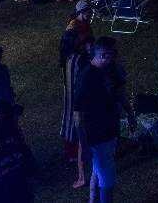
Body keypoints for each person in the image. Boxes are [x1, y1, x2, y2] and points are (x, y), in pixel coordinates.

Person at [73, 36, 137, 203]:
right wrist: (84, 145)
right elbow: (78, 115)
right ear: (102, 55)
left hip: (110, 129)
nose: (114, 57)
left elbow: (119, 93)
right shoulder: (86, 78)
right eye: (111, 54)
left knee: (99, 171)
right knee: (107, 178)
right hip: (97, 134)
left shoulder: (111, 69)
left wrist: (130, 113)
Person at [59, 16, 94, 190]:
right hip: (80, 103)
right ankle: (81, 174)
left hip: (71, 100)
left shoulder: (66, 58)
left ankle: (73, 156)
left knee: (72, 128)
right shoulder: (79, 60)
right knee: (81, 135)